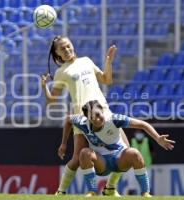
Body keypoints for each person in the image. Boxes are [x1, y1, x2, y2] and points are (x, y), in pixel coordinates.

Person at [40, 35, 129, 196]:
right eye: (62, 49)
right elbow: (52, 101)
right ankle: (61, 191)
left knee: (126, 151)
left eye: (68, 46)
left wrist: (108, 62)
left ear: (72, 44)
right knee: (76, 160)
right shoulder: (61, 72)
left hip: (104, 113)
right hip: (81, 117)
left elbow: (106, 80)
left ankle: (110, 188)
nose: (67, 50)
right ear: (57, 54)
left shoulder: (87, 61)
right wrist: (44, 87)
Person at [59, 100, 175, 197]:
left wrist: (158, 138)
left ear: (102, 111)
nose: (97, 119)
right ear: (88, 118)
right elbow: (67, 120)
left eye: (98, 114)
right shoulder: (82, 123)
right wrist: (63, 143)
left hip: (119, 160)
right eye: (93, 118)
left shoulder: (114, 119)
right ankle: (92, 192)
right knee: (84, 153)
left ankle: (145, 193)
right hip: (102, 163)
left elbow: (142, 124)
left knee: (134, 153)